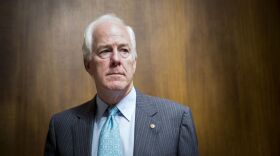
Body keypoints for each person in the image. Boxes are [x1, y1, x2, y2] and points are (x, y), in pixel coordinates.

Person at [44, 14, 198, 156]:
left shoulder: (177, 121)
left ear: (134, 62)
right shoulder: (60, 127)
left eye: (124, 50)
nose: (116, 59)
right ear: (88, 64)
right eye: (105, 51)